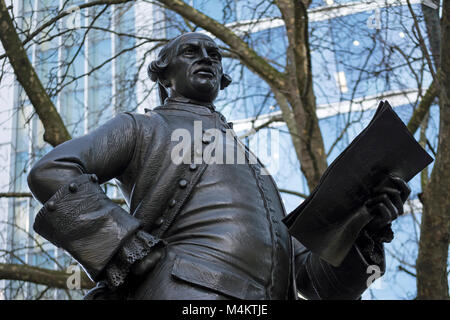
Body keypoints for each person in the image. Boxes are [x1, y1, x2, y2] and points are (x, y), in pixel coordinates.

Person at [27, 32, 411, 300]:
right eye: (191, 52)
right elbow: (53, 170)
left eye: (214, 55)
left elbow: (316, 283)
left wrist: (367, 229)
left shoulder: (258, 173)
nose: (206, 58)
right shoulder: (142, 127)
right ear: (164, 74)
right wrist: (129, 249)